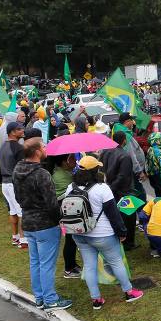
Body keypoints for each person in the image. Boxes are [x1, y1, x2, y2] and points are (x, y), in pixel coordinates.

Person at [67, 156, 144, 310]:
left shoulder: (71, 187)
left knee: (89, 266)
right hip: (103, 234)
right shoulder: (102, 188)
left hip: (80, 234)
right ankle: (129, 292)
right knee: (116, 262)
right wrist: (122, 232)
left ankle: (96, 300)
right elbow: (113, 214)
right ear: (96, 171)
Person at [13, 137, 73, 311]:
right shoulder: (42, 174)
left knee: (35, 262)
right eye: (44, 146)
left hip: (29, 223)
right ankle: (50, 299)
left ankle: (39, 297)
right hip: (45, 225)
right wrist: (58, 220)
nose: (46, 148)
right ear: (37, 151)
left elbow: (18, 198)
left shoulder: (18, 169)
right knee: (46, 263)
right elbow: (52, 203)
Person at [100, 131, 137, 250]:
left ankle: (118, 238)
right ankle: (128, 243)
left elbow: (101, 168)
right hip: (124, 191)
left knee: (114, 216)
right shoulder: (125, 156)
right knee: (129, 217)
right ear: (124, 140)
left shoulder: (105, 152)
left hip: (110, 189)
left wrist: (108, 187)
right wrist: (112, 187)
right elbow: (123, 176)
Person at [50, 154, 81, 278]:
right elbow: (71, 191)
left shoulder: (63, 172)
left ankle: (72, 264)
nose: (75, 160)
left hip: (66, 209)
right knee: (70, 239)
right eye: (72, 158)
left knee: (71, 239)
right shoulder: (61, 176)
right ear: (64, 162)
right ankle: (69, 268)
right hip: (65, 210)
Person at [0, 122, 27, 248]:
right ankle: (23, 240)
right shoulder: (18, 148)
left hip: (5, 184)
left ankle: (15, 237)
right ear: (12, 132)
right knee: (21, 212)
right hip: (14, 183)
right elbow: (22, 168)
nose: (22, 130)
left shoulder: (3, 145)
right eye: (19, 129)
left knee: (13, 211)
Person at [145, 132, 161, 197]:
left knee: (158, 195)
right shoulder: (159, 152)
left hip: (154, 179)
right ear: (158, 141)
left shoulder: (150, 150)